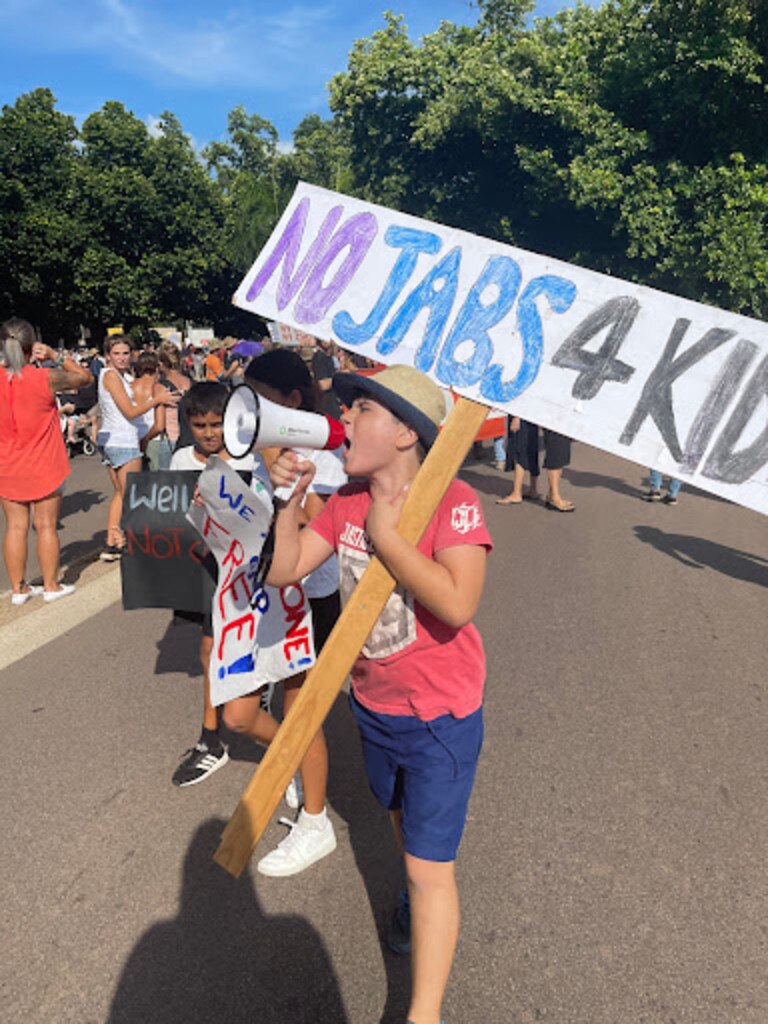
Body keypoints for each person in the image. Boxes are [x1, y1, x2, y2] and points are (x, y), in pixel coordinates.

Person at [267, 364, 491, 1024]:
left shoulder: (455, 500)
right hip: (375, 709)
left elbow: (457, 602)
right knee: (401, 830)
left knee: (429, 870)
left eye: (361, 408)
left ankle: (423, 1013)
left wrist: (389, 538)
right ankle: (411, 890)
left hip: (439, 718)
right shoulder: (344, 504)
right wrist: (285, 504)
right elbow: (285, 568)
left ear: (402, 432)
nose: (346, 419)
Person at [220, 349, 345, 877]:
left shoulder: (328, 460)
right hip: (256, 596)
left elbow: (333, 531)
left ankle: (315, 821)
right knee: (239, 715)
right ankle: (297, 758)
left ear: (292, 403)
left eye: (262, 400)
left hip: (307, 599)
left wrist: (295, 486)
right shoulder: (250, 451)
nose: (250, 412)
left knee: (300, 711)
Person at [169, 383, 255, 787]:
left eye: (216, 424)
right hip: (205, 570)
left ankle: (280, 739)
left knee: (254, 652)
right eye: (200, 425)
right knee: (208, 650)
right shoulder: (181, 458)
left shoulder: (248, 457)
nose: (208, 433)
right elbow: (168, 512)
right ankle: (211, 737)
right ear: (188, 423)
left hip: (245, 572)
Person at [0, 318, 91, 604]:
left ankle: (19, 588)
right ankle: (51, 585)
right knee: (46, 526)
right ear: (31, 347)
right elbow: (85, 377)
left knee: (15, 527)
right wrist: (55, 355)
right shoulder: (46, 377)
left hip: (7, 463)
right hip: (44, 462)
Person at [97, 335, 178, 561]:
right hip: (123, 441)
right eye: (117, 354)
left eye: (125, 353)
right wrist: (157, 399)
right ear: (107, 356)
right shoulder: (112, 376)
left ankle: (113, 543)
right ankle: (130, 542)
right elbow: (129, 412)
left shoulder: (119, 376)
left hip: (112, 441)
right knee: (132, 496)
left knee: (121, 494)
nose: (122, 358)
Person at [131, 351, 170, 471]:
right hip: (153, 440)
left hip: (132, 439)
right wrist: (145, 440)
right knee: (156, 484)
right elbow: (159, 426)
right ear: (157, 367)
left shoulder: (128, 387)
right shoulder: (158, 388)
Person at [495, 417, 541, 505]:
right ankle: (533, 489)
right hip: (532, 417)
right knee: (531, 451)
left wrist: (516, 418)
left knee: (518, 452)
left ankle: (516, 493)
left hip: (521, 416)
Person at [157, 342, 191, 452]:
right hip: (190, 438)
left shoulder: (161, 386)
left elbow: (159, 425)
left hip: (169, 439)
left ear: (161, 364)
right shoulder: (190, 382)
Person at [543, 429, 575, 512]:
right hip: (554, 426)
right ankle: (555, 497)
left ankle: (552, 495)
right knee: (555, 459)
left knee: (561, 459)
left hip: (564, 426)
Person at [310, 337, 343, 418]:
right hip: (329, 406)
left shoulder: (327, 357)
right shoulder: (320, 357)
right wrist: (341, 377)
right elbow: (322, 384)